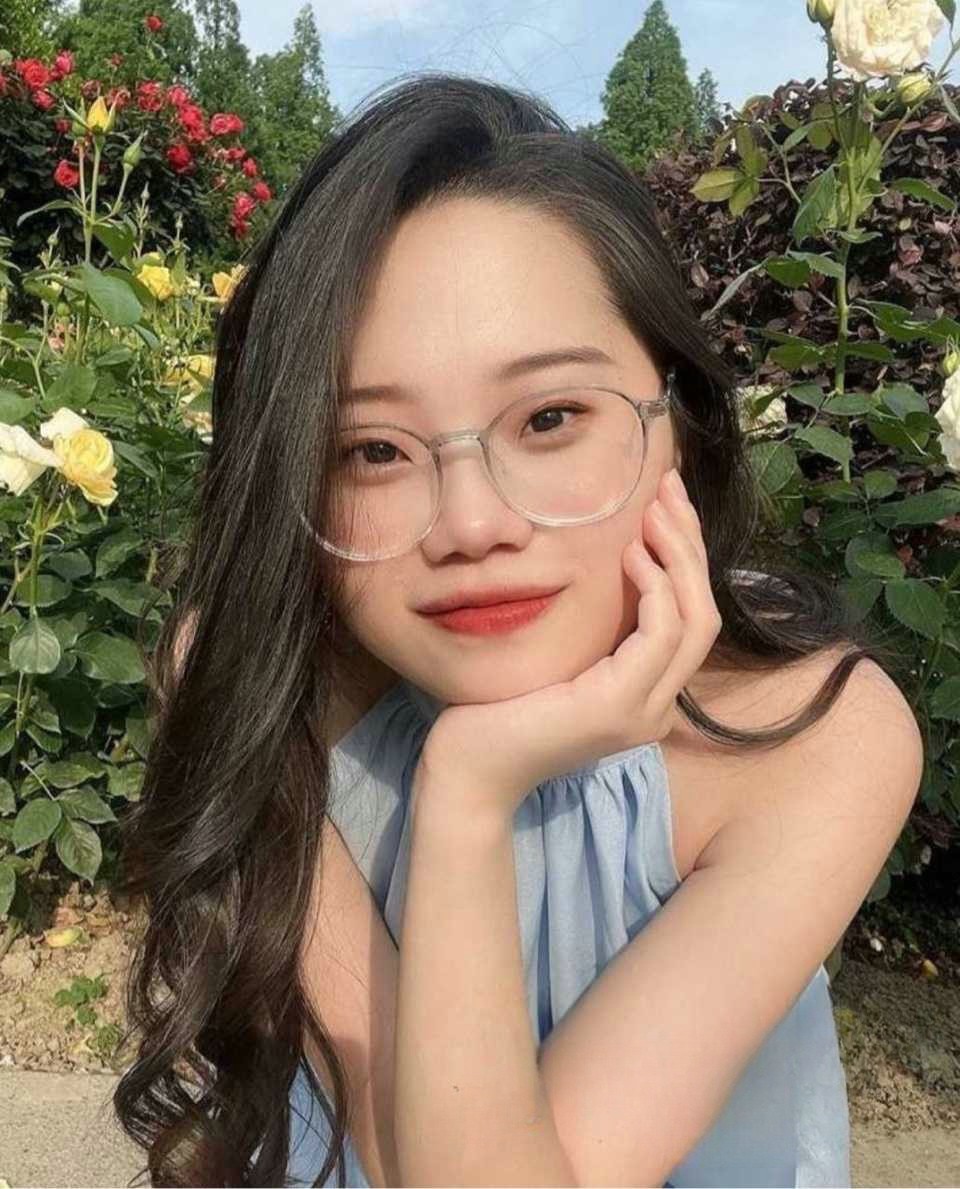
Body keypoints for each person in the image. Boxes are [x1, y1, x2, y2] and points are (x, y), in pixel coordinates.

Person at [111, 72, 923, 1188]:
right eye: (373, 451)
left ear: (679, 419)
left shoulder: (813, 735)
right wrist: (473, 788)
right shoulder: (267, 683)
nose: (473, 524)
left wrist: (467, 785)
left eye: (549, 417)